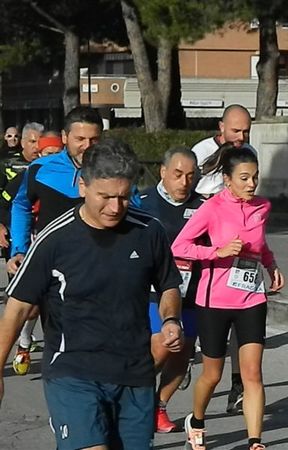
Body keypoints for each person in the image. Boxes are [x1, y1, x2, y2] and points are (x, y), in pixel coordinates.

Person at [0, 138, 184, 449]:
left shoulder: (149, 231)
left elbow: (168, 284)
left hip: (135, 373)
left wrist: (171, 320)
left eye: (124, 197)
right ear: (82, 186)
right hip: (73, 371)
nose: (115, 207)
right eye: (106, 196)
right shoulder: (55, 238)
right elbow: (17, 308)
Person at [172, 144, 285, 450]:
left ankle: (255, 441)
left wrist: (271, 265)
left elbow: (260, 245)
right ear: (227, 180)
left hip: (251, 299)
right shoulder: (212, 208)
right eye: (244, 178)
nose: (251, 184)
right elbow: (179, 247)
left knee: (252, 373)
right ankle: (195, 421)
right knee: (212, 374)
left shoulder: (262, 206)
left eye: (255, 177)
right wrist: (215, 252)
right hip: (214, 302)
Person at [191, 103, 254, 414]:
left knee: (239, 318)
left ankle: (239, 385)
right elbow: (187, 192)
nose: (241, 137)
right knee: (200, 309)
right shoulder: (202, 150)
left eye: (246, 131)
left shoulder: (249, 151)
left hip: (238, 246)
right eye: (235, 131)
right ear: (221, 127)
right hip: (205, 239)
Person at [139, 146, 204, 433]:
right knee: (162, 347)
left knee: (183, 353)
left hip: (192, 291)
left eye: (191, 175)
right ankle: (131, 399)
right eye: (177, 174)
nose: (184, 182)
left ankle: (158, 406)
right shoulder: (142, 203)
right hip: (155, 291)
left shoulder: (204, 206)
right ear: (163, 172)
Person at [8, 106, 103, 273]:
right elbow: (21, 205)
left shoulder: (113, 170)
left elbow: (134, 211)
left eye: (94, 139)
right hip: (50, 262)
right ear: (65, 137)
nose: (87, 146)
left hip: (97, 261)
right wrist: (19, 250)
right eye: (80, 139)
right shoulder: (40, 168)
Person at [0, 122, 44, 375]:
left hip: (46, 240)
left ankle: (25, 341)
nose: (38, 149)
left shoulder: (58, 173)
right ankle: (19, 343)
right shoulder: (19, 173)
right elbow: (6, 203)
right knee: (22, 299)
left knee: (38, 302)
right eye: (33, 143)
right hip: (20, 242)